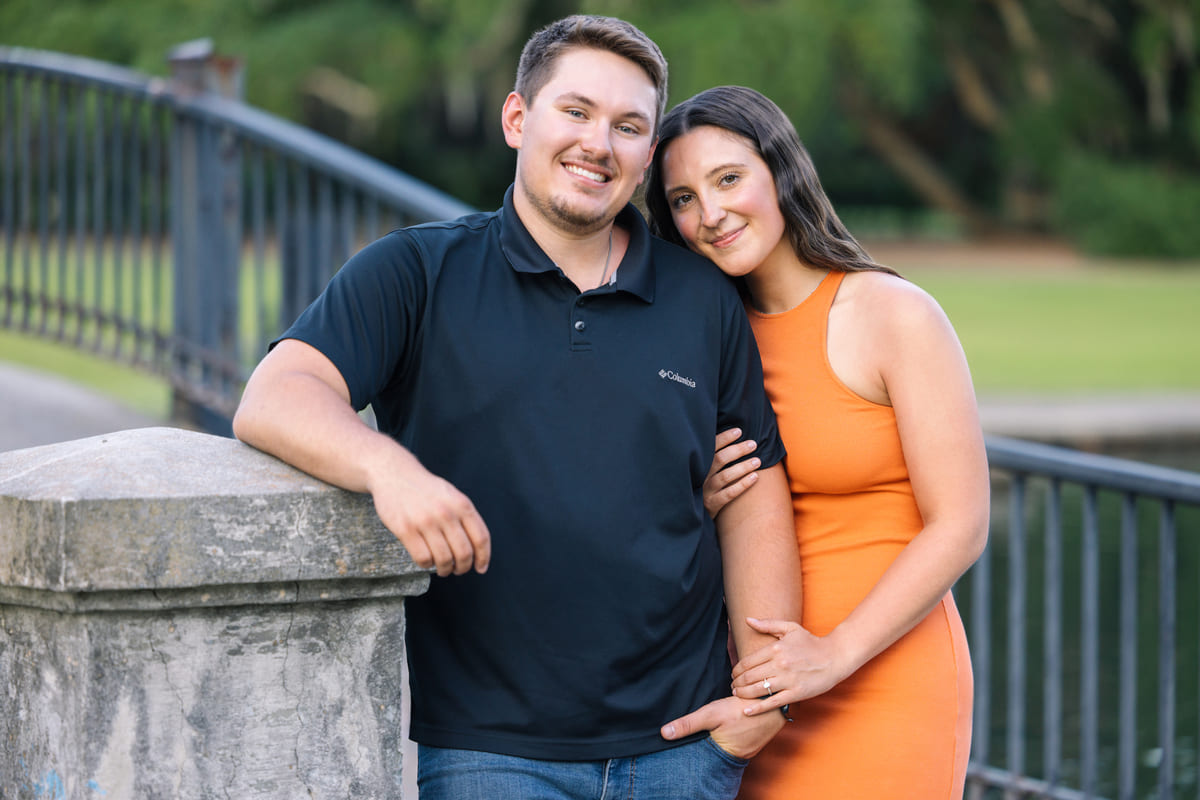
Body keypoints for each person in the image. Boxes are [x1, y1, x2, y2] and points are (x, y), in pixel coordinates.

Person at [233, 19, 802, 800]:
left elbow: (753, 489)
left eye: (628, 126)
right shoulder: (416, 272)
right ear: (516, 119)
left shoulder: (702, 297)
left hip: (686, 746)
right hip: (491, 754)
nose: (598, 143)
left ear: (644, 156)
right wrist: (388, 469)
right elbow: (274, 395)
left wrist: (758, 703)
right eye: (575, 111)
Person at [646, 86, 990, 799]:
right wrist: (698, 498)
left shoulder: (890, 314)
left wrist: (833, 656)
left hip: (883, 677)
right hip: (751, 698)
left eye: (729, 179)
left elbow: (961, 524)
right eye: (682, 199)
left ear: (782, 172)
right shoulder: (696, 342)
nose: (710, 215)